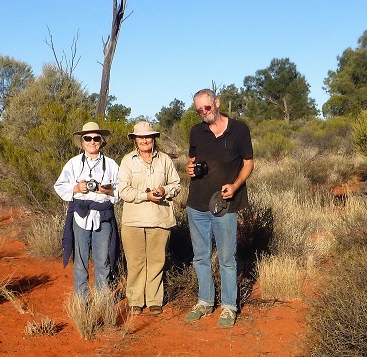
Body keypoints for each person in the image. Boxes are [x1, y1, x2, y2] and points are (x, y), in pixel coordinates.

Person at [184, 88, 254, 328]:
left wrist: (235, 186)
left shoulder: (239, 129)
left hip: (224, 204)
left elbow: (248, 163)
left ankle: (228, 306)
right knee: (200, 256)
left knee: (227, 258)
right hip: (196, 204)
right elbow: (191, 161)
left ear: (217, 103)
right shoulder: (197, 131)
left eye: (207, 107)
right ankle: (204, 301)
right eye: (199, 110)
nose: (204, 112)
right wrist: (189, 169)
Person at [116, 120, 181, 314]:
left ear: (154, 138)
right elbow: (123, 191)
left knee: (156, 261)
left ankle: (154, 299)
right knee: (135, 262)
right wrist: (146, 196)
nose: (144, 140)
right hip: (133, 221)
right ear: (135, 140)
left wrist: (164, 189)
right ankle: (135, 300)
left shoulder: (165, 160)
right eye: (140, 137)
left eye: (148, 136)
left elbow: (176, 184)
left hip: (160, 219)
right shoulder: (128, 160)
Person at [55, 121, 120, 296]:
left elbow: (122, 190)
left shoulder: (111, 165)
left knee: (103, 261)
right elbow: (59, 186)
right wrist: (76, 188)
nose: (92, 142)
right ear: (82, 142)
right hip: (80, 216)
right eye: (88, 138)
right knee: (80, 261)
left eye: (96, 138)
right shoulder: (73, 163)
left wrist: (107, 190)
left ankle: (102, 300)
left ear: (101, 141)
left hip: (103, 216)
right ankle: (82, 300)